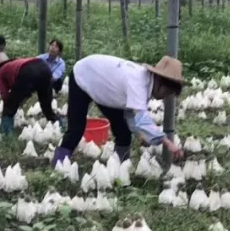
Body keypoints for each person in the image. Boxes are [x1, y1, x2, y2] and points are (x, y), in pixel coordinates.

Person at [51, 54, 184, 167]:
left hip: (104, 88)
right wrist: (167, 142)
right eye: (167, 92)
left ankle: (120, 168)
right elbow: (141, 117)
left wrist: (140, 134)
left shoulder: (147, 83)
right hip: (83, 76)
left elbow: (131, 114)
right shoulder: (138, 82)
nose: (165, 97)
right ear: (160, 81)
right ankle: (58, 165)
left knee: (123, 130)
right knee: (76, 129)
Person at [0, 52, 61, 136]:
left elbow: (5, 94)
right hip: (44, 67)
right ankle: (59, 125)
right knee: (46, 104)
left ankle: (6, 131)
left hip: (27, 72)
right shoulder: (14, 64)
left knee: (9, 106)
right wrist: (20, 98)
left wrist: (8, 107)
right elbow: (23, 90)